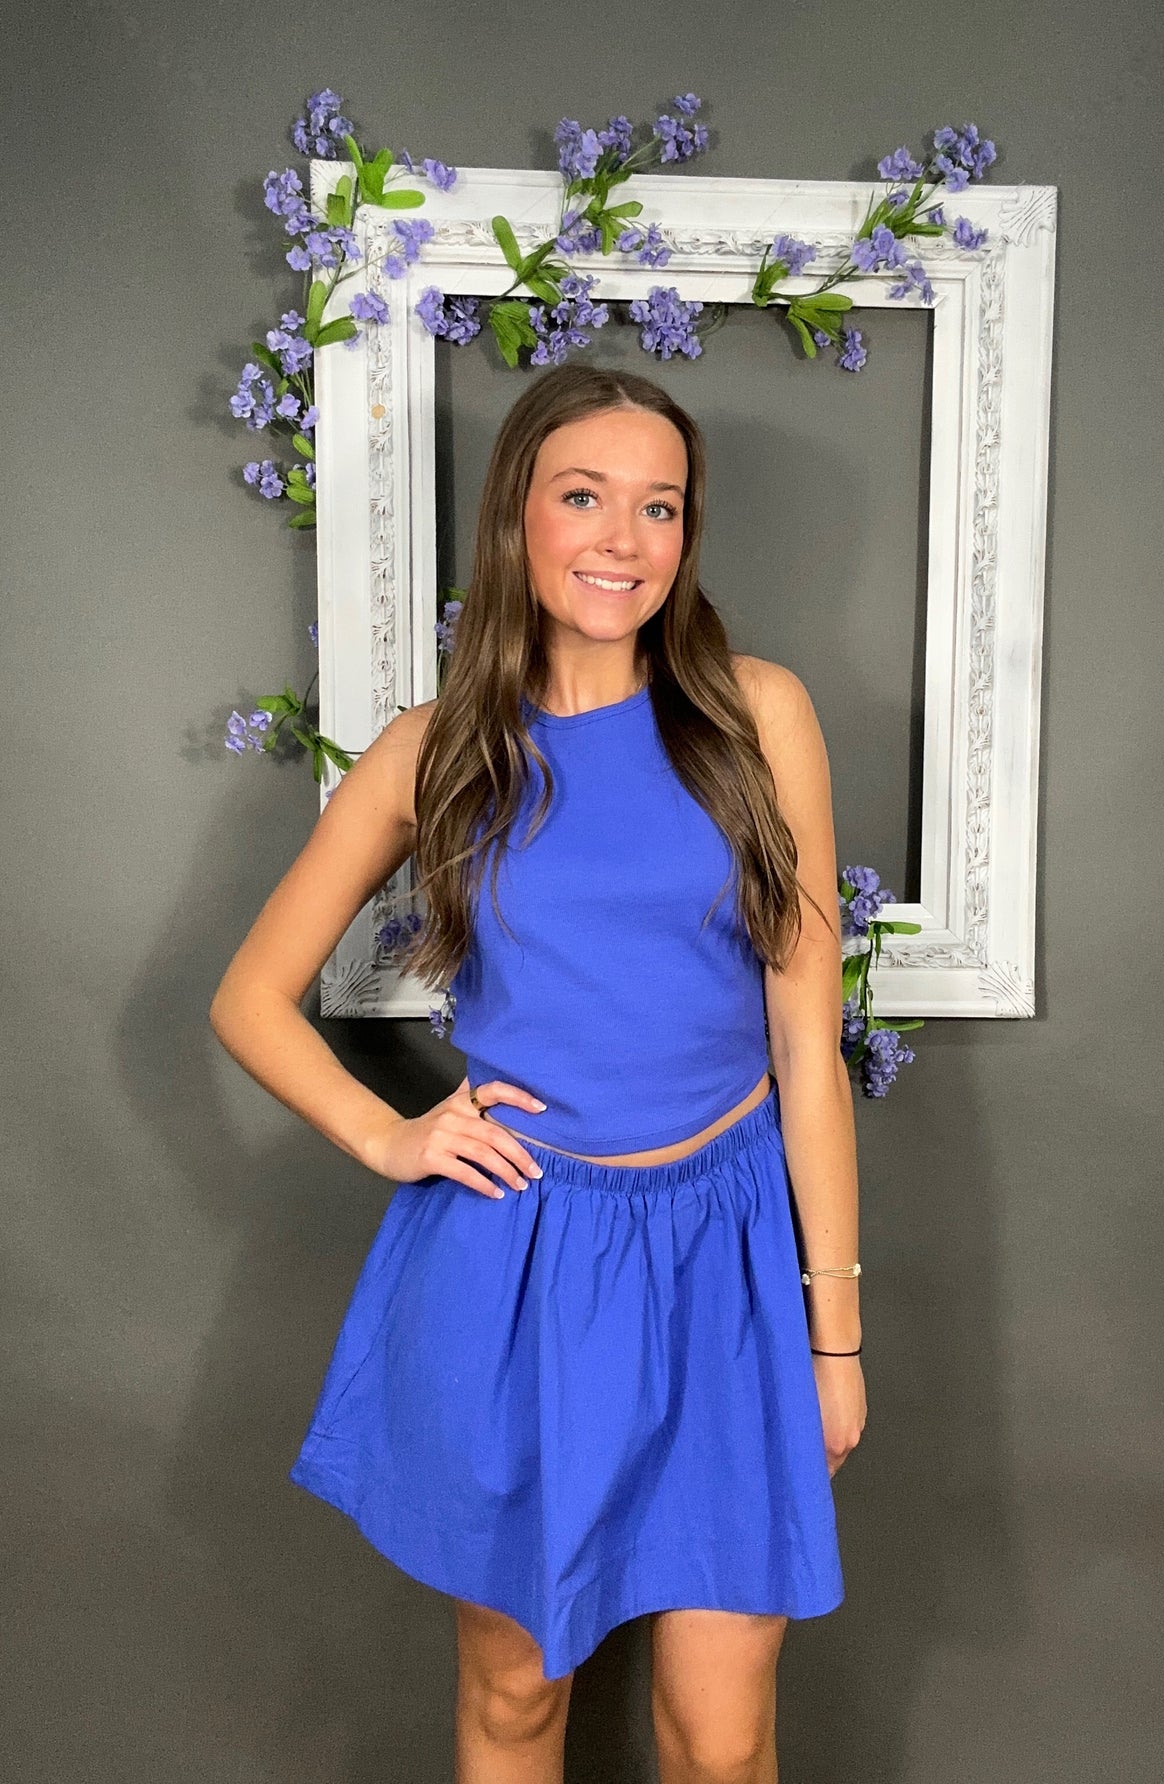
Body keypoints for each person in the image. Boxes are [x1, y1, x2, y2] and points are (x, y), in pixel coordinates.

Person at [210, 360, 866, 1783]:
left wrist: (835, 1339)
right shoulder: (435, 752)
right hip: (516, 1261)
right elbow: (249, 997)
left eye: (659, 507)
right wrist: (388, 1136)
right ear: (518, 514)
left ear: (686, 535)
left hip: (726, 1259)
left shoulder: (761, 715)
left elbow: (806, 1055)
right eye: (584, 497)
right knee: (514, 1699)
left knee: (721, 1737)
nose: (623, 539)